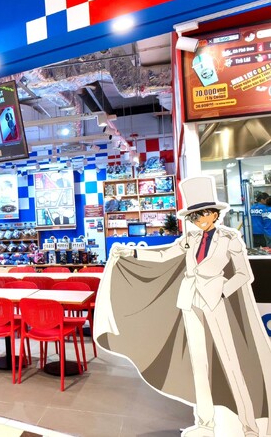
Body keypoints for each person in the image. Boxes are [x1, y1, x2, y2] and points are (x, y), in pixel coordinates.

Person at [97, 176, 271, 437]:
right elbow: (164, 254)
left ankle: (249, 426)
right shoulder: (190, 238)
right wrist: (130, 252)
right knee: (198, 363)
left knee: (231, 362)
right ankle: (205, 422)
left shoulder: (229, 238)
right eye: (194, 216)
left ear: (214, 214)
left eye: (203, 214)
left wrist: (222, 291)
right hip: (190, 300)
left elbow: (243, 274)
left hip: (216, 302)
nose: (200, 220)